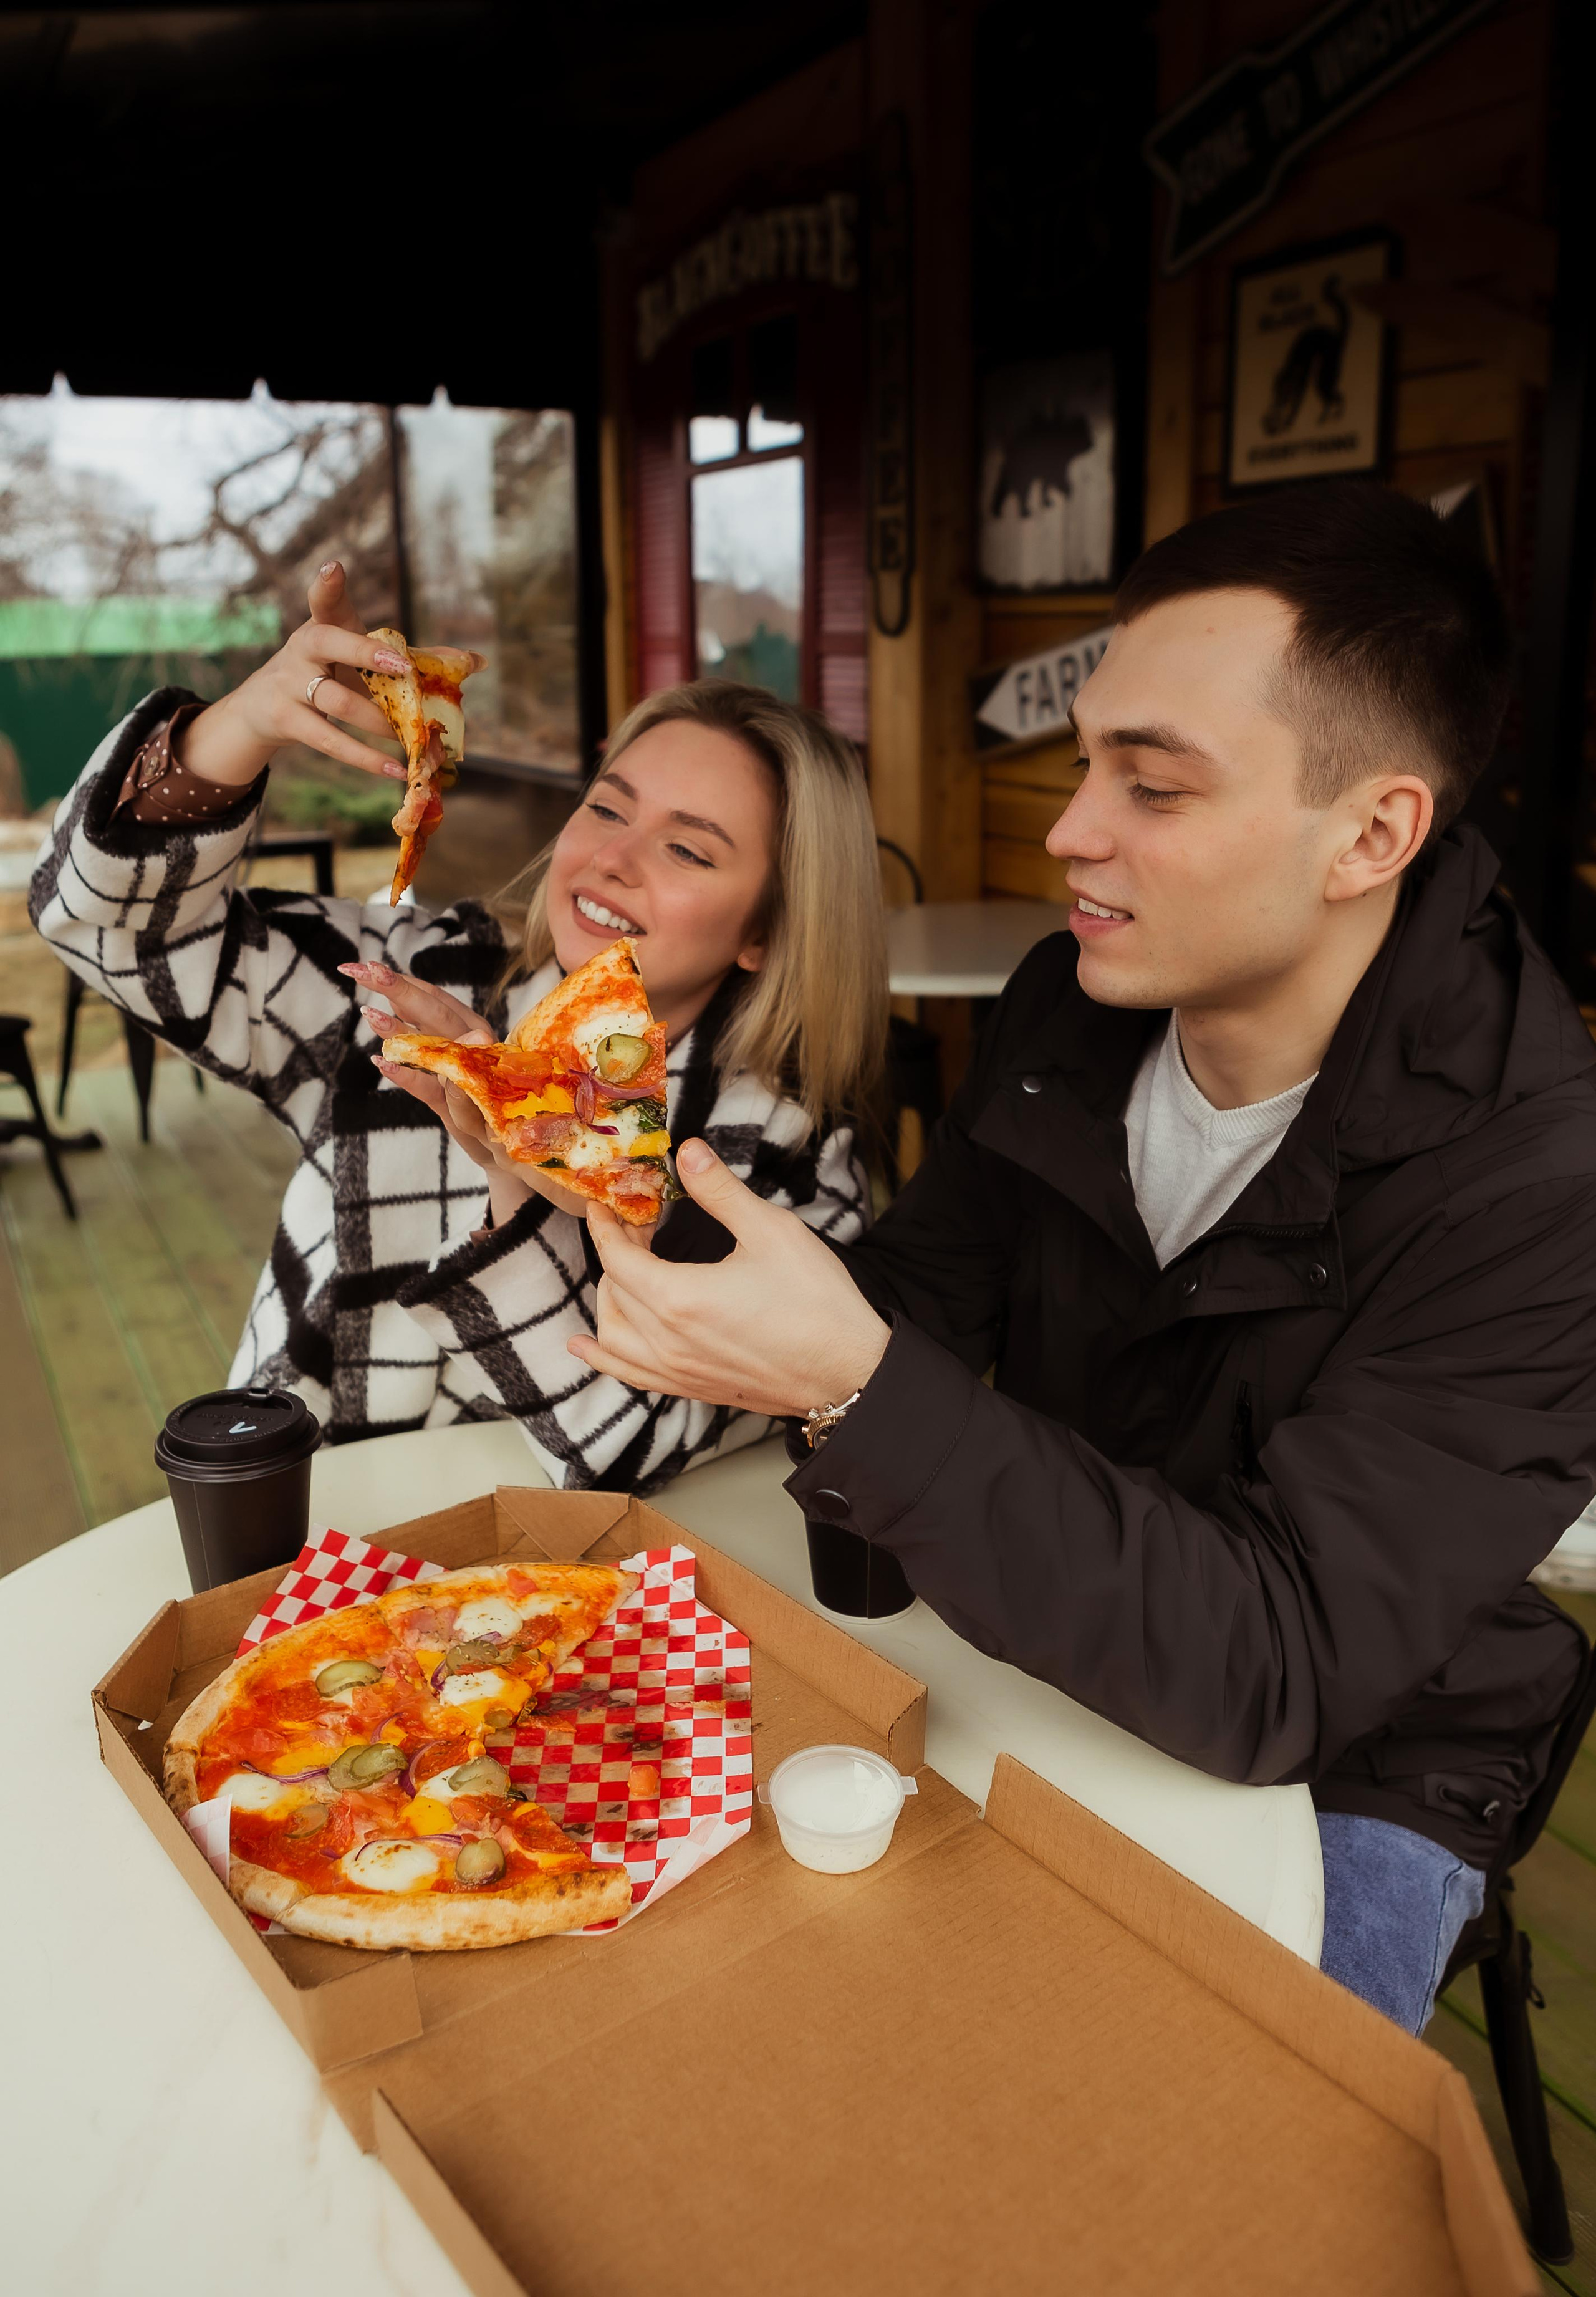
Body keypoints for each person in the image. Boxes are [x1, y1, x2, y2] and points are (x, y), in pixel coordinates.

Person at [563, 481, 1596, 2033]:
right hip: (1035, 1616)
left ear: (1370, 831)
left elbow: (1282, 1667)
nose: (1068, 831)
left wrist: (855, 1382)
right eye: (1082, 760)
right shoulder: (1074, 1004)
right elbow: (910, 1299)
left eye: (1153, 788)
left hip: (1361, 1752)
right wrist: (601, 1149)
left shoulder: (1539, 1180)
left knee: (1180, 2164)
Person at [30, 562, 885, 1492]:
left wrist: (538, 1159)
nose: (611, 859)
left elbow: (639, 1448)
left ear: (764, 928)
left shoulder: (789, 1147)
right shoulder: (418, 985)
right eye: (606, 806)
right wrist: (237, 727)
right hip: (314, 1524)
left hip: (577, 1584)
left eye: (687, 848)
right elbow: (104, 931)